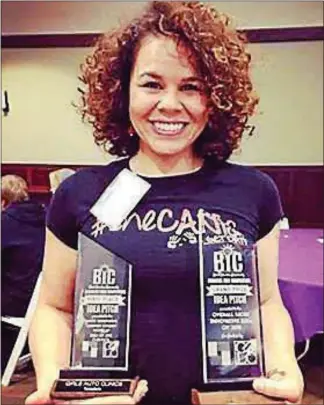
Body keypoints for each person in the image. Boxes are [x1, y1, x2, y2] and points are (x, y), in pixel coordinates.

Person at [26, 2, 304, 404]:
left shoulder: (254, 190)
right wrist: (56, 384)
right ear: (123, 91)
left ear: (215, 99)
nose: (170, 104)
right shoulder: (79, 194)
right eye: (152, 84)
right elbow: (55, 307)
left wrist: (285, 368)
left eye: (190, 87)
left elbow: (266, 301)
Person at [1, 174, 46, 373]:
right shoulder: (47, 218)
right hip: (42, 299)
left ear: (3, 201)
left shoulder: (5, 225)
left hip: (16, 300)